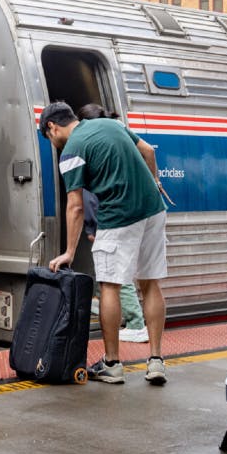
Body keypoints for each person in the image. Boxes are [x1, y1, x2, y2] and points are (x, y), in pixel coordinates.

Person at [42, 101, 169, 385]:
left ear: (52, 127)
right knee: (150, 283)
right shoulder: (112, 124)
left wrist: (69, 252)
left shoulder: (72, 150)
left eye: (49, 137)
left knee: (109, 285)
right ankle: (156, 361)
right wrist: (155, 183)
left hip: (119, 215)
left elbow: (75, 206)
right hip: (153, 210)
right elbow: (148, 151)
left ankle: (112, 364)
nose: (54, 143)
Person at [77, 103, 149, 344]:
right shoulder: (114, 140)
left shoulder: (91, 148)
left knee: (116, 277)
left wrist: (91, 229)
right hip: (124, 218)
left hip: (108, 224)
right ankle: (127, 319)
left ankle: (136, 323)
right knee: (112, 277)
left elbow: (90, 200)